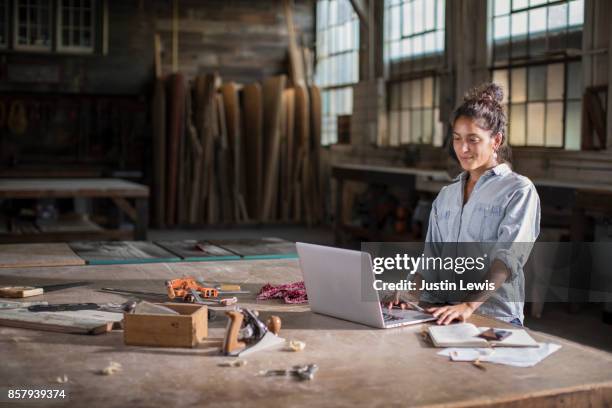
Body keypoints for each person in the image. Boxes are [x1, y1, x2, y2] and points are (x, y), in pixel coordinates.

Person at [386, 82, 540, 326]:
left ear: (496, 140)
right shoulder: (446, 196)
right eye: (457, 139)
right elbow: (431, 258)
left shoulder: (518, 190)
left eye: (473, 139)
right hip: (440, 310)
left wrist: (469, 305)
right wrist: (411, 292)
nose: (463, 148)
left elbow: (507, 259)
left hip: (492, 315)